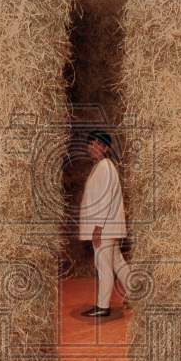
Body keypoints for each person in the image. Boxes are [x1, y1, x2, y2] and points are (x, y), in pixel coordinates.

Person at [78, 130, 130, 318]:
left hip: (104, 228)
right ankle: (136, 295)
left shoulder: (105, 167)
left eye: (97, 144)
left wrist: (98, 227)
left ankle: (103, 306)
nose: (92, 147)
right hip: (109, 227)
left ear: (105, 148)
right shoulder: (102, 166)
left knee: (104, 266)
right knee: (117, 262)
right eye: (90, 143)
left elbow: (105, 198)